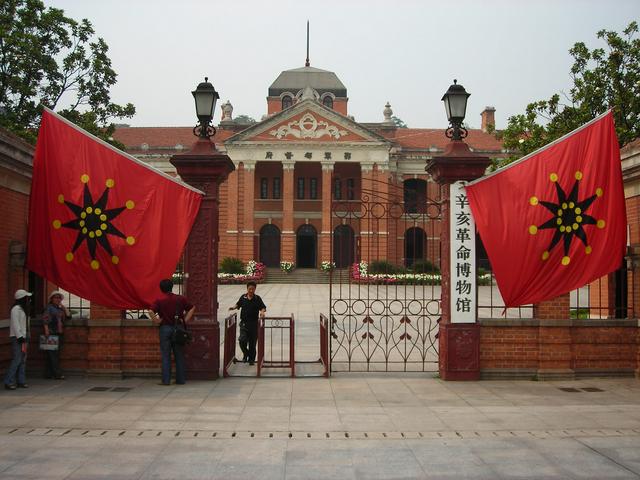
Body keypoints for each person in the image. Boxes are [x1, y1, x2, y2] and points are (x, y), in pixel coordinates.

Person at [148, 279, 195, 385]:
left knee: (165, 355)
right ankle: (180, 380)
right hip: (178, 328)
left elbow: (150, 311)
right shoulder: (180, 299)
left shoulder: (159, 300)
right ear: (172, 287)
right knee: (179, 355)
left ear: (161, 289)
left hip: (165, 328)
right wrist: (185, 319)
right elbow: (192, 307)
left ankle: (166, 380)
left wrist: (156, 321)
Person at [228, 281, 266, 366]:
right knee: (242, 340)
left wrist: (262, 312)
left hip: (254, 324)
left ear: (255, 289)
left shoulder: (257, 298)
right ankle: (246, 354)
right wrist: (233, 307)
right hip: (244, 323)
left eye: (253, 289)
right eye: (249, 289)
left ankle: (251, 360)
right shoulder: (243, 297)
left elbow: (263, 307)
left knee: (252, 344)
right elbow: (238, 304)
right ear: (247, 289)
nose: (251, 291)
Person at [4, 289, 32, 390]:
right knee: (17, 359)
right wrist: (20, 337)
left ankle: (21, 380)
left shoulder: (23, 309)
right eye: (27, 298)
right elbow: (16, 324)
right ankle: (9, 381)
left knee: (23, 360)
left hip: (24, 337)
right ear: (22, 299)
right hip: (18, 338)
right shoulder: (15, 309)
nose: (28, 299)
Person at [42, 290, 69, 380]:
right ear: (52, 299)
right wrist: (46, 330)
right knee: (53, 355)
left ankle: (48, 373)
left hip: (59, 332)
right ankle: (57, 374)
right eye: (56, 297)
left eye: (59, 298)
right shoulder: (49, 308)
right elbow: (45, 319)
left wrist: (64, 308)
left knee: (52, 355)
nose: (58, 299)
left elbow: (69, 316)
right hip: (51, 332)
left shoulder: (60, 309)